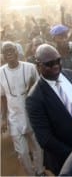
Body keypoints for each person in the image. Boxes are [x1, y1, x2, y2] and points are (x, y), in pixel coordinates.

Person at [26, 44, 72, 175]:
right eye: (49, 64)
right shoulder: (34, 98)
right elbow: (45, 139)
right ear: (38, 65)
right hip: (66, 160)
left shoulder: (69, 75)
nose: (56, 65)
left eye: (58, 60)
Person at [0, 41, 44, 176]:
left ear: (17, 52)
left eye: (11, 50)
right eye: (5, 51)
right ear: (2, 56)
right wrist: (3, 119)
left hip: (32, 115)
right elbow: (2, 97)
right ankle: (31, 174)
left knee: (37, 147)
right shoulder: (0, 73)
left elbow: (38, 89)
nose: (9, 53)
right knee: (23, 152)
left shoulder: (30, 68)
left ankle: (40, 171)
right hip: (14, 118)